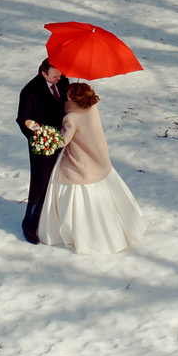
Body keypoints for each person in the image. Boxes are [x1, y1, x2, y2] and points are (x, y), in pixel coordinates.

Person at [40, 79, 145, 255]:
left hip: (80, 162)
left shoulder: (70, 118)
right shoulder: (92, 109)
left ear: (74, 99)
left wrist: (45, 138)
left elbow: (63, 141)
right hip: (99, 158)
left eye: (68, 96)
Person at [17, 57, 68, 243]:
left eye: (60, 74)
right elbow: (23, 119)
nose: (59, 78)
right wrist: (40, 137)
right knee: (40, 184)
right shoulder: (30, 92)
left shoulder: (63, 81)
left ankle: (55, 221)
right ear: (43, 73)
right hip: (42, 146)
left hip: (65, 140)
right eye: (55, 75)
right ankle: (30, 225)